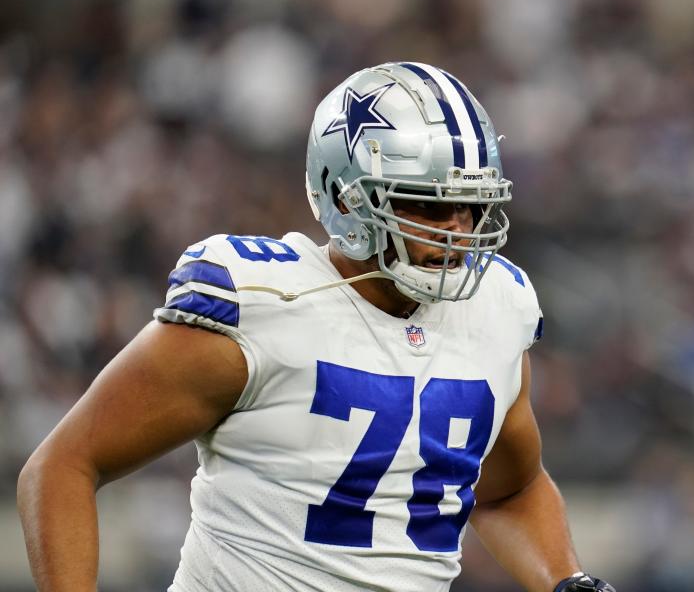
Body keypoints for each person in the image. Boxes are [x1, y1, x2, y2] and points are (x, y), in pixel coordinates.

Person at [17, 62, 616, 592]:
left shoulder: (497, 309)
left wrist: (568, 581)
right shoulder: (263, 303)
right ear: (346, 199)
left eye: (473, 205)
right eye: (429, 205)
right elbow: (64, 466)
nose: (460, 233)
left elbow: (509, 489)